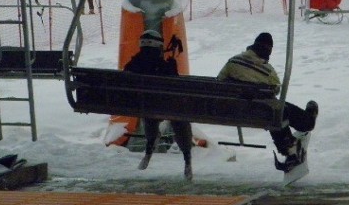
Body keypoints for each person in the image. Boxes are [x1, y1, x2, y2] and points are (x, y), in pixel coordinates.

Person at [217, 33, 318, 172]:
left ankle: (290, 148)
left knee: (272, 113)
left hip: (235, 112)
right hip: (263, 112)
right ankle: (304, 127)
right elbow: (276, 89)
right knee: (276, 113)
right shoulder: (267, 70)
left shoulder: (233, 62)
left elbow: (219, 81)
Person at [123, 30, 194, 180]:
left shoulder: (132, 65)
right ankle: (187, 157)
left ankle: (149, 147)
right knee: (178, 116)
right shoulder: (165, 67)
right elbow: (176, 89)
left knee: (149, 110)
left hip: (145, 107)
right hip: (169, 108)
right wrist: (172, 67)